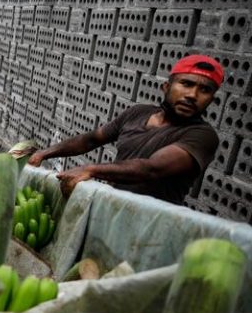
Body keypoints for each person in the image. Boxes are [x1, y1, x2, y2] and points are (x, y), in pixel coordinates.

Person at [28, 54, 224, 205]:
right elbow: (92, 140)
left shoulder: (202, 136)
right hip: (112, 205)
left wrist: (91, 169)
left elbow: (152, 168)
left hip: (152, 221)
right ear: (166, 87)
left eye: (205, 90)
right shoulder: (138, 113)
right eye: (186, 84)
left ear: (211, 100)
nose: (192, 95)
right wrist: (44, 153)